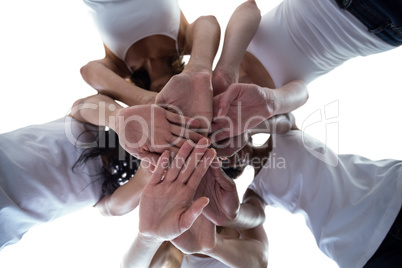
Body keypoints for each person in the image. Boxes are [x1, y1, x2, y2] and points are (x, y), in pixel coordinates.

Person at [203, 114, 402, 268]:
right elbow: (248, 217)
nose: (229, 154)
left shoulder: (283, 130)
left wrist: (241, 129)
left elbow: (284, 117)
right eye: (221, 159)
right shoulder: (256, 192)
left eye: (223, 144)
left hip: (389, 191)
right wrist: (222, 212)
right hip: (359, 248)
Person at [211, 0, 402, 142]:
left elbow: (250, 8)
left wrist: (226, 71)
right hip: (382, 27)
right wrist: (250, 124)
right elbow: (301, 95)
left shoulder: (215, 71)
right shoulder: (268, 109)